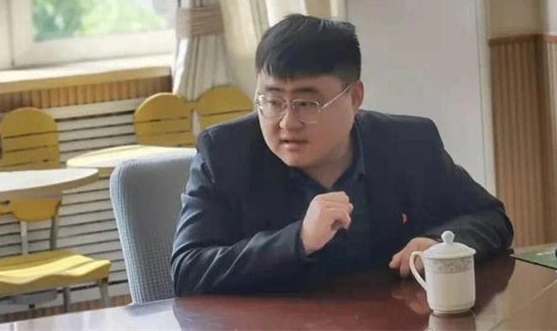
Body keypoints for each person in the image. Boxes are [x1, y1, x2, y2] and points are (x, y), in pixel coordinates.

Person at [171, 15, 513, 296]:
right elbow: (188, 270)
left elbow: (490, 217)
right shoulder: (226, 152)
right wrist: (298, 240)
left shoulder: (408, 142)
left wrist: (438, 244)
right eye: (272, 102)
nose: (287, 122)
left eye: (307, 103)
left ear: (355, 97)